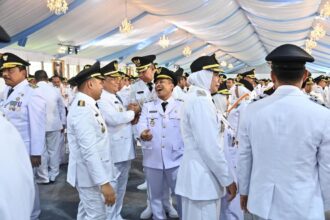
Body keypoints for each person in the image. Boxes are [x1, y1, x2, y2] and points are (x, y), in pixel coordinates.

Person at [238, 44, 330, 220]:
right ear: (305, 76)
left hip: (261, 202)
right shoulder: (323, 114)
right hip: (304, 204)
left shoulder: (252, 111)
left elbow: (244, 156)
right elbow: (327, 167)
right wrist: (325, 205)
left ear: (272, 76)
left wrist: (245, 190)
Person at [175, 54, 237, 220]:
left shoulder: (199, 98)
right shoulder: (200, 101)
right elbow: (210, 147)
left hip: (200, 179)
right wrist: (228, 179)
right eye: (215, 74)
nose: (219, 79)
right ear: (203, 75)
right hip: (202, 181)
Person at [66, 61, 117, 220]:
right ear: (90, 84)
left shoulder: (88, 105)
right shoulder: (83, 109)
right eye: (100, 82)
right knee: (97, 216)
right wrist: (104, 183)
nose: (102, 86)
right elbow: (88, 150)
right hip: (89, 177)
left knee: (85, 213)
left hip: (91, 174)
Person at [131, 55, 178, 219]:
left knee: (176, 187)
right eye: (139, 72)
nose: (141, 75)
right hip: (152, 149)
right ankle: (154, 209)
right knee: (154, 186)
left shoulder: (180, 100)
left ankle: (169, 205)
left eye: (144, 71)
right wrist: (141, 132)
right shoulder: (137, 89)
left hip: (174, 152)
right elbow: (139, 119)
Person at [0, 25, 35, 220]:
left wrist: (36, 151)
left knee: (26, 186)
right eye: (3, 71)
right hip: (13, 149)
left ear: (23, 72)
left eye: (10, 70)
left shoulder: (32, 92)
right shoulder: (6, 92)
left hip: (25, 146)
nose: (5, 74)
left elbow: (36, 125)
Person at [97, 60, 139, 220]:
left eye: (118, 78)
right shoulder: (102, 99)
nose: (118, 82)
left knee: (121, 187)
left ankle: (116, 214)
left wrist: (129, 113)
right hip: (113, 152)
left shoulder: (115, 97)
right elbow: (114, 118)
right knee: (112, 188)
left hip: (124, 151)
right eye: (113, 79)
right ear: (104, 81)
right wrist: (131, 113)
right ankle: (109, 216)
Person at [35, 70, 66, 184]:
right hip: (54, 124)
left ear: (36, 79)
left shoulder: (32, 89)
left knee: (41, 152)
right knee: (54, 151)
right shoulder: (54, 90)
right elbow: (61, 107)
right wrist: (63, 122)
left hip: (38, 126)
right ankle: (54, 174)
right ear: (47, 78)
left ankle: (43, 177)